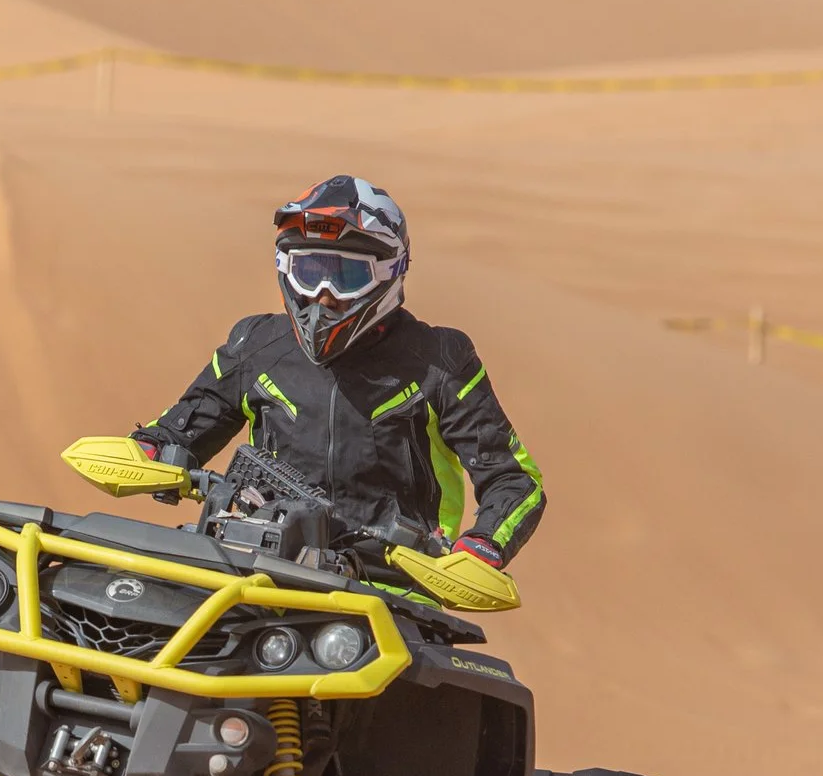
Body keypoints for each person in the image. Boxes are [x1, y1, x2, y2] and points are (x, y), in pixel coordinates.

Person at [132, 175, 544, 571]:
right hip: (255, 566)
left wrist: (482, 545)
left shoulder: (440, 360)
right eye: (309, 272)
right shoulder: (256, 344)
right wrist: (144, 452)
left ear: (389, 271)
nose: (323, 294)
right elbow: (173, 435)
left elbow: (514, 480)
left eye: (346, 275)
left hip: (392, 587)